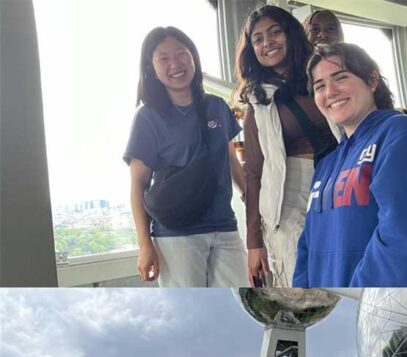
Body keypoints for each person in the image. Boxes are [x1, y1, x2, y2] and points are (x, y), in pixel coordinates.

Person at [295, 43, 407, 287]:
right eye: (319, 86)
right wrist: (308, 302)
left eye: (341, 78)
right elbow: (307, 249)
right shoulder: (326, 166)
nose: (330, 91)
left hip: (399, 309)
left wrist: (357, 303)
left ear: (372, 80)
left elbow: (405, 242)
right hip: (340, 311)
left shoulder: (401, 134)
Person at [125, 27, 247, 287]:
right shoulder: (148, 117)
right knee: (190, 308)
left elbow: (230, 160)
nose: (175, 64)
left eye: (182, 54)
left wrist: (252, 201)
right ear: (152, 68)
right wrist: (145, 244)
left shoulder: (217, 106)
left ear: (193, 56)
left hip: (225, 227)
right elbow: (138, 184)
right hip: (176, 235)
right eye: (163, 58)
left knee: (236, 304)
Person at [234, 5, 337, 288]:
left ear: (290, 33)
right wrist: (254, 243)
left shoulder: (322, 76)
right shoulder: (258, 102)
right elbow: (254, 173)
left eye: (275, 32)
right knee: (301, 284)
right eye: (257, 39)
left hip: (340, 186)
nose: (267, 43)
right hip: (290, 201)